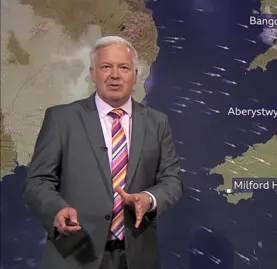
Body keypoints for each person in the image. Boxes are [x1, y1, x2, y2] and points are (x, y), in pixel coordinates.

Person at [22, 36, 183, 269]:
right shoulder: (62, 119)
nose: (115, 75)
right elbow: (37, 181)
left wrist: (149, 199)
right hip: (74, 256)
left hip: (137, 258)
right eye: (106, 67)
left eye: (123, 67)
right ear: (93, 73)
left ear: (135, 75)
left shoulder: (158, 123)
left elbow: (172, 180)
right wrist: (56, 210)